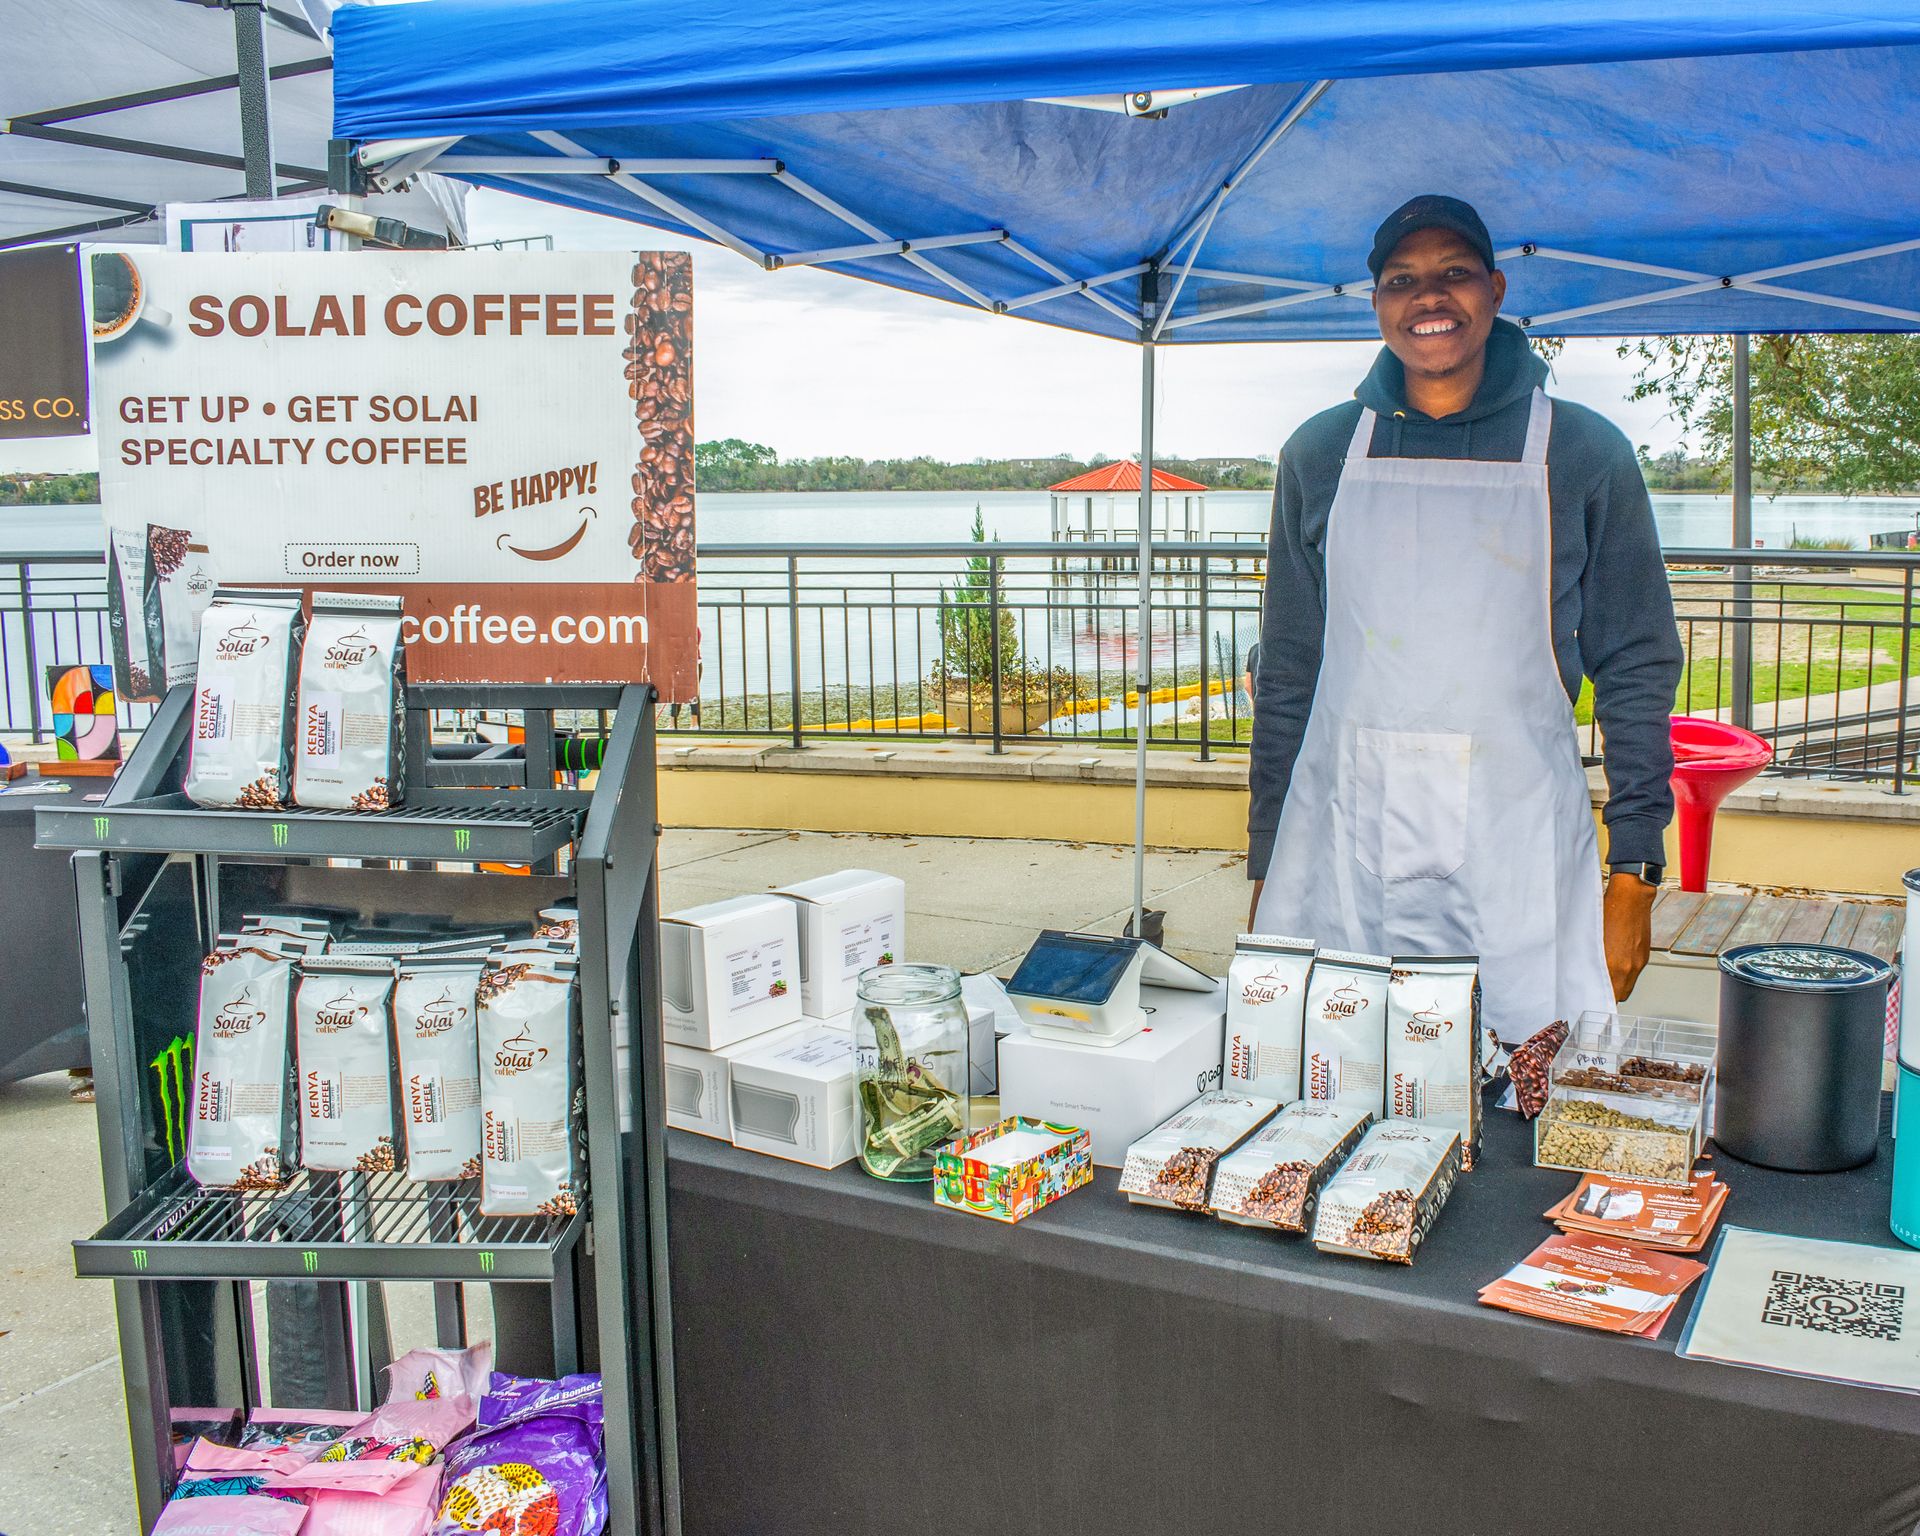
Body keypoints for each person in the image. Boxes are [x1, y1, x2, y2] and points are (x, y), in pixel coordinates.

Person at [1247, 195, 1683, 1042]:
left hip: (1516, 839)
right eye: (1402, 280)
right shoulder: (1320, 452)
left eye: (1454, 273)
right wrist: (1269, 853)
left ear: (1495, 288)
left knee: (1525, 1075)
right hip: (1342, 838)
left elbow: (1635, 663)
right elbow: (1290, 667)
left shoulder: (1583, 452)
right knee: (1339, 1068)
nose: (1429, 297)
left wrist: (1633, 869)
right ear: (1376, 304)